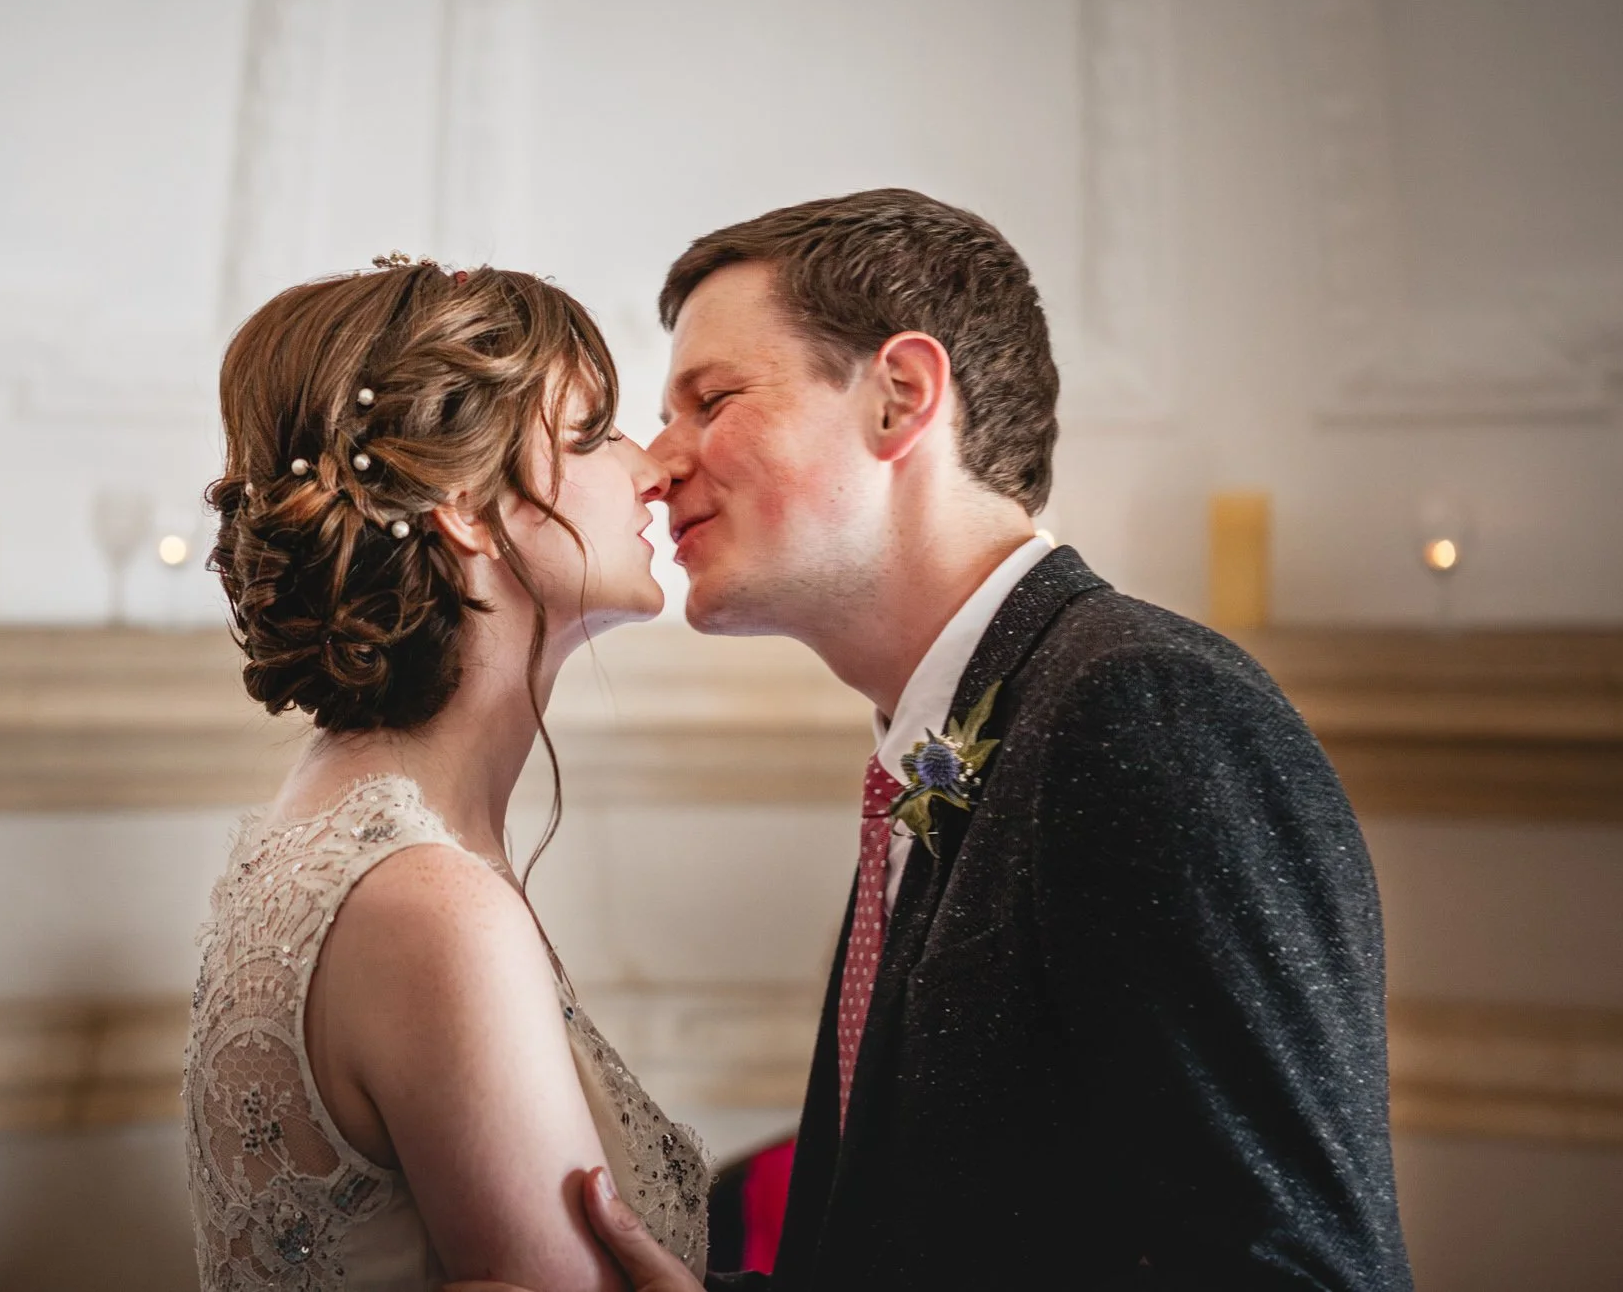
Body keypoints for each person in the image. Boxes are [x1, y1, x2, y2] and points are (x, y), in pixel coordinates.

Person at [465, 189, 1413, 1290]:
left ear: (900, 397)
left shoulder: (1144, 709)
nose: (658, 461)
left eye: (710, 400)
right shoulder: (952, 737)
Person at [182, 259, 709, 1292]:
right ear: (465, 506)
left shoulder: (347, 811)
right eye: (595, 433)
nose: (651, 468)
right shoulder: (430, 907)